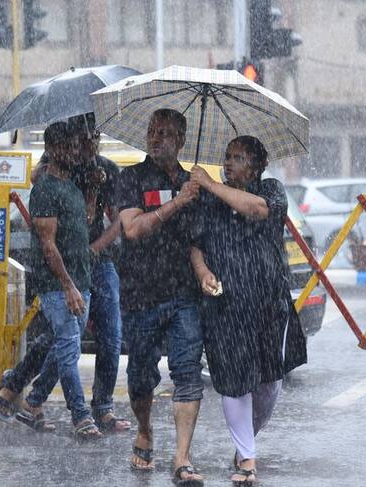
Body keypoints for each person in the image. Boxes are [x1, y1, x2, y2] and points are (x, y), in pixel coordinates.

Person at [0, 114, 130, 433]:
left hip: (97, 262)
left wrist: (94, 245)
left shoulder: (105, 170)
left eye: (93, 137)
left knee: (106, 336)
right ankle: (47, 401)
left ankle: (97, 407)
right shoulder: (60, 169)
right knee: (63, 337)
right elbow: (40, 186)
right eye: (81, 138)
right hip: (63, 266)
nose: (88, 143)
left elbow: (115, 220)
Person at [189, 136, 308, 485]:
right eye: (226, 157)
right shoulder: (208, 201)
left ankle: (247, 441)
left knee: (270, 381)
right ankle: (247, 458)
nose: (228, 164)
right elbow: (196, 246)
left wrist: (210, 183)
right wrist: (203, 272)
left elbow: (256, 210)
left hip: (268, 303)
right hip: (227, 305)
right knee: (234, 382)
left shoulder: (271, 190)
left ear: (256, 166)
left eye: (238, 158)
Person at [117, 108, 204, 486]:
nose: (156, 138)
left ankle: (182, 458)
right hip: (141, 294)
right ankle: (145, 429)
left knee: (187, 373)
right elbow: (133, 229)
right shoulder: (130, 178)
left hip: (184, 294)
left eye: (166, 133)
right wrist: (177, 202)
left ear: (181, 140)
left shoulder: (193, 184)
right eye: (152, 131)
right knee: (140, 378)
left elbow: (199, 240)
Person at [12, 121, 101, 440]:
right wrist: (67, 286)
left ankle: (32, 403)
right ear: (50, 150)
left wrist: (91, 190)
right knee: (67, 346)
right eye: (66, 147)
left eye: (76, 146)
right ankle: (81, 415)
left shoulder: (73, 186)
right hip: (57, 285)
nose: (74, 151)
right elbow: (48, 245)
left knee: (63, 347)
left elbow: (87, 221)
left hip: (82, 279)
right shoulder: (45, 189)